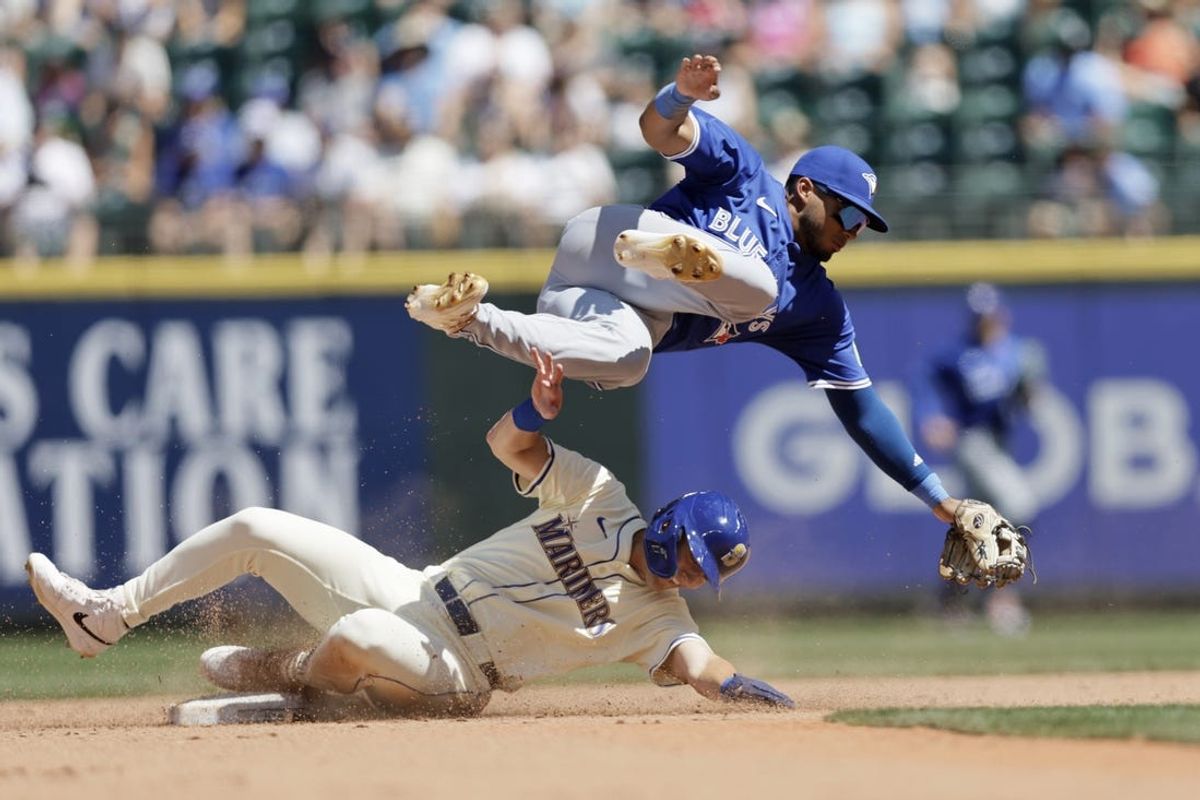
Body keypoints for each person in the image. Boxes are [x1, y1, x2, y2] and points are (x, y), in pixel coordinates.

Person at [25, 349, 792, 717]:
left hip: (460, 673)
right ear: (672, 527)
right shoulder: (597, 494)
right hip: (417, 589)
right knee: (256, 525)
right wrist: (535, 410)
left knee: (360, 635)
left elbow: (700, 666)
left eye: (702, 576)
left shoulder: (661, 618)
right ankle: (106, 617)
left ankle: (291, 682)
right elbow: (508, 447)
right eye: (693, 559)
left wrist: (753, 693)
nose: (691, 578)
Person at [406, 54, 961, 526]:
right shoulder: (746, 174)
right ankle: (662, 253)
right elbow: (659, 131)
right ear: (805, 190)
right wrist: (680, 95)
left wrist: (942, 503)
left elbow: (863, 412)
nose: (853, 232)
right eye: (848, 214)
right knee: (764, 287)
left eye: (863, 225)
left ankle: (464, 318)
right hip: (610, 243)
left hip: (597, 308)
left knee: (630, 362)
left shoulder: (819, 310)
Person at [914, 283, 1047, 635]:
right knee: (1018, 505)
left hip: (1000, 444)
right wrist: (930, 414)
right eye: (980, 317)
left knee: (974, 525)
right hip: (972, 442)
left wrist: (1030, 388)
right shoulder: (960, 354)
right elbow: (925, 378)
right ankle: (1002, 600)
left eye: (990, 315)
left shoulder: (1019, 352)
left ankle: (951, 601)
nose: (987, 322)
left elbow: (1030, 399)